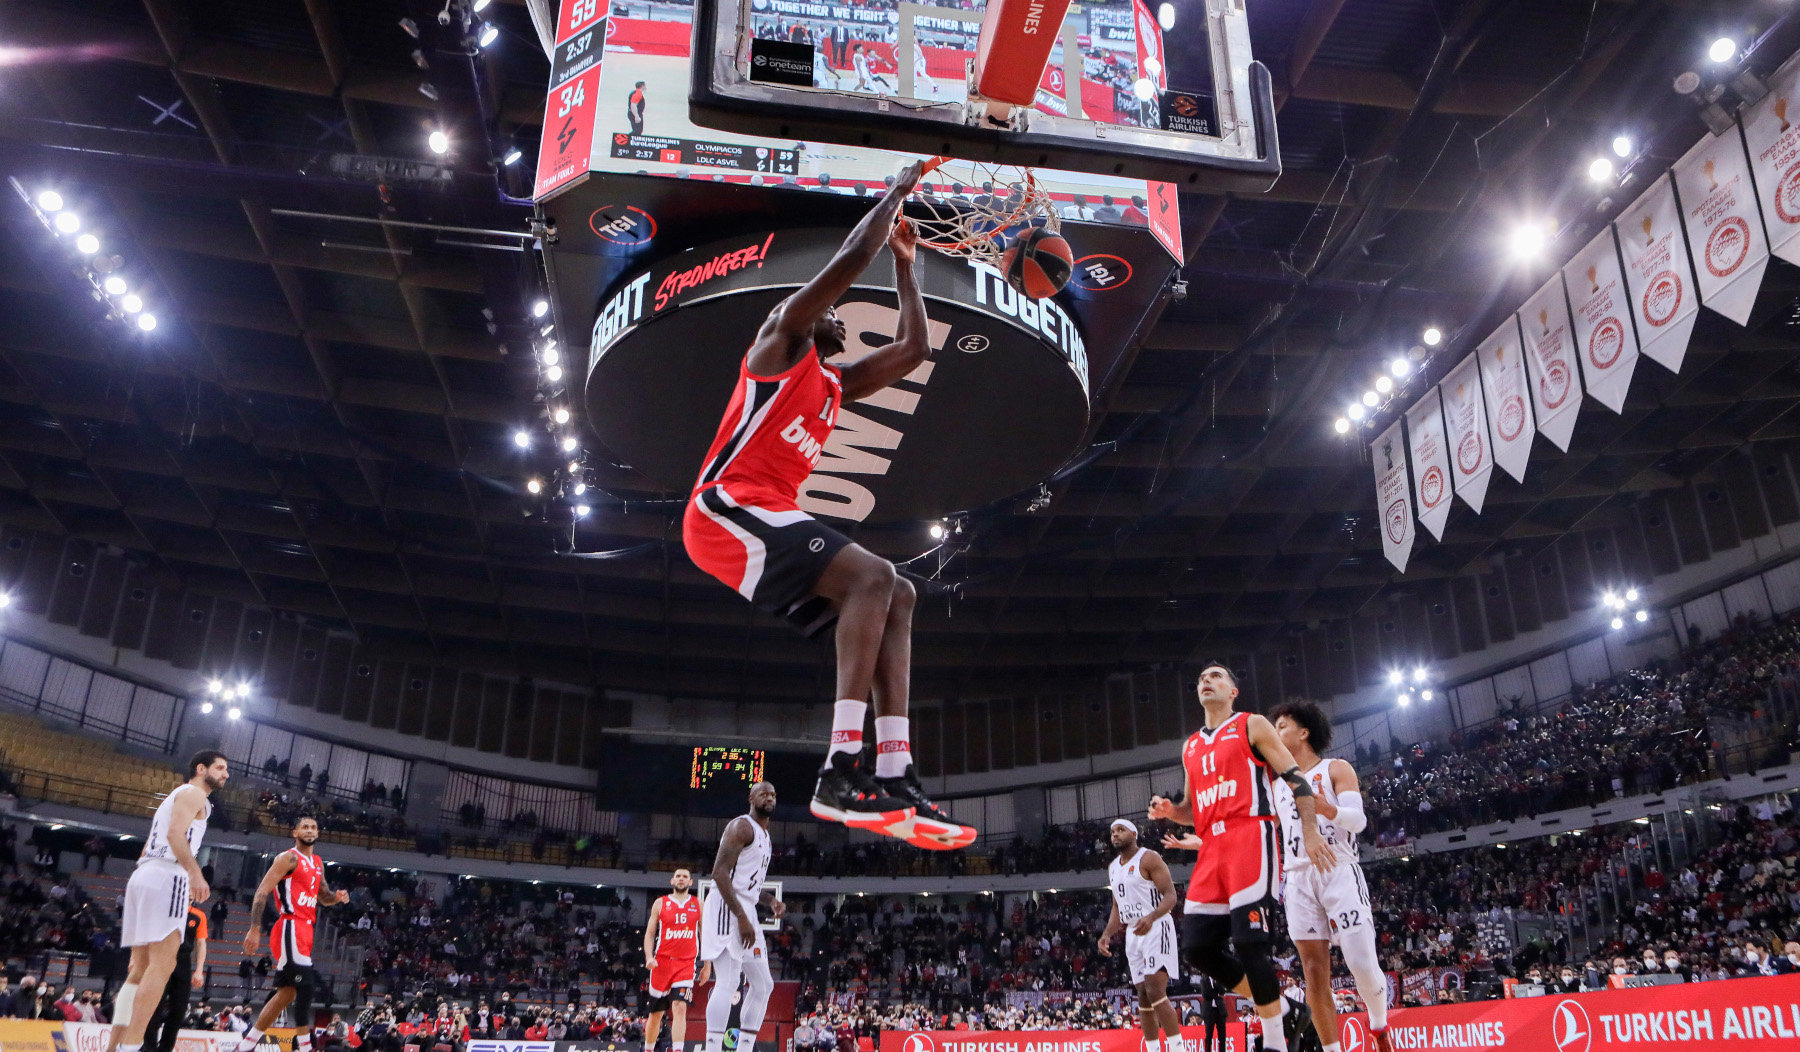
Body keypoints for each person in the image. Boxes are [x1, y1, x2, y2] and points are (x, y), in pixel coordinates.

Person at [681, 160, 971, 850]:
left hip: (759, 515)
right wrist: (897, 188)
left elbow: (915, 348)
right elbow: (848, 255)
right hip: (722, 508)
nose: (839, 315)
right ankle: (840, 766)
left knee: (897, 592)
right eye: (832, 311)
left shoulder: (834, 386)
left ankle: (893, 772)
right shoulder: (779, 344)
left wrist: (908, 264)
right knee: (872, 575)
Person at [1148, 665, 1331, 1052]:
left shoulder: (1253, 724)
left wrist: (1310, 831)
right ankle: (1282, 1010)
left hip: (1250, 834)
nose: (1205, 681)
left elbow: (1296, 779)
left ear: (1233, 690)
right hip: (1211, 847)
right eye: (1200, 678)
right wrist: (1170, 810)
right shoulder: (1191, 746)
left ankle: (1277, 1043)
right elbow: (1193, 810)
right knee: (1198, 948)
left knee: (1250, 944)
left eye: (1215, 676)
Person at [1269, 699, 1390, 1052]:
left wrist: (1326, 808)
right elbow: (1258, 828)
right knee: (1313, 972)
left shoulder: (1335, 768)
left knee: (1361, 963)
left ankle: (1379, 1025)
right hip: (1297, 878)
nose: (1275, 733)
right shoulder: (1277, 785)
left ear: (1303, 732)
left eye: (1282, 726)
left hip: (1337, 867)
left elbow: (1359, 821)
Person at [113, 752, 228, 1052]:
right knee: (163, 966)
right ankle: (130, 1047)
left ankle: (113, 1047)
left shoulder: (177, 796)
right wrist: (195, 873)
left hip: (144, 873)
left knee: (139, 969)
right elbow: (176, 835)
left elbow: (154, 841)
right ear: (200, 768)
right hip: (167, 874)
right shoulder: (193, 793)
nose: (226, 774)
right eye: (220, 768)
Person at [236, 816, 349, 1052]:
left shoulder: (318, 862)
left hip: (306, 928)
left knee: (286, 995)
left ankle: (245, 1047)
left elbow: (324, 896)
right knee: (306, 986)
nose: (310, 830)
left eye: (314, 827)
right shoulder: (287, 858)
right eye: (305, 827)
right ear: (294, 832)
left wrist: (337, 897)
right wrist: (255, 928)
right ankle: (306, 1048)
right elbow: (261, 892)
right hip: (290, 925)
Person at [699, 784, 785, 1052]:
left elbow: (747, 884)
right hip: (727, 907)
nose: (769, 797)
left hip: (744, 908)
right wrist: (741, 917)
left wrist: (770, 900)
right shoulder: (742, 827)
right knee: (728, 981)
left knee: (763, 985)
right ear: (751, 798)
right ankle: (713, 1049)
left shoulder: (764, 835)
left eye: (772, 794)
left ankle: (744, 1048)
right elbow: (720, 873)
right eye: (763, 793)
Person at [1097, 819, 1183, 1052]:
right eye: (1112, 831)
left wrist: (1152, 917)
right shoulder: (1113, 867)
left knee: (1155, 990)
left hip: (1156, 925)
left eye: (1121, 830)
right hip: (1133, 931)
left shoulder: (1149, 858)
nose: (1115, 835)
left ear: (1134, 834)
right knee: (1143, 994)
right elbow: (1117, 907)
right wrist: (1106, 934)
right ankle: (1153, 1048)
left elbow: (1171, 896)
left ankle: (1178, 1048)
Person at [643, 868, 710, 1052]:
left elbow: (705, 935)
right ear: (672, 881)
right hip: (662, 962)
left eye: (685, 877)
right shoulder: (660, 903)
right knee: (656, 1014)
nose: (681, 879)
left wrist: (707, 964)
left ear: (690, 882)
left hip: (686, 963)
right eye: (678, 876)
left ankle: (678, 1050)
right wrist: (649, 957)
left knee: (680, 1006)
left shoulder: (699, 904)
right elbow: (649, 934)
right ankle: (648, 1049)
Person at [141, 905, 207, 1052]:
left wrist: (199, 970)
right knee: (154, 1008)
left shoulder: (198, 915)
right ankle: (149, 1048)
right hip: (161, 958)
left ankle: (165, 1048)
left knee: (179, 1010)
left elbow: (201, 943)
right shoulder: (164, 908)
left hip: (183, 963)